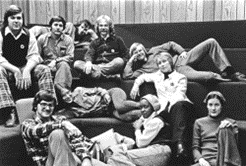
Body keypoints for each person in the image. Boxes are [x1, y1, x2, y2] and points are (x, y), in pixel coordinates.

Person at [130, 52, 195, 158]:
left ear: (170, 62)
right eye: (159, 63)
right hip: (165, 110)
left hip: (182, 106)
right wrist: (135, 86)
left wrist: (167, 110)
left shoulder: (181, 77)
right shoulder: (157, 76)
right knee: (157, 121)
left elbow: (179, 95)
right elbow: (142, 77)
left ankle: (179, 144)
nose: (162, 65)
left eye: (164, 61)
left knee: (178, 105)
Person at [0, 5, 55, 127]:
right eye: (12, 18)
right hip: (8, 69)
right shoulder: (1, 33)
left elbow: (34, 55)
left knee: (44, 70)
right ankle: (10, 111)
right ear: (6, 20)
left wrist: (26, 70)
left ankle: (48, 107)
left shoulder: (28, 34)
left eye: (19, 18)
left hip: (25, 67)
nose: (16, 21)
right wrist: (14, 70)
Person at [21, 90, 107, 166]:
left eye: (50, 105)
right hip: (50, 162)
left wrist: (85, 159)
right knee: (57, 133)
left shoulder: (59, 119)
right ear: (36, 106)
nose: (47, 108)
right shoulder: (27, 124)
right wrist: (62, 124)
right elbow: (37, 130)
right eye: (43, 104)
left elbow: (76, 140)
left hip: (71, 157)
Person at [123, 38, 246, 82]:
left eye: (139, 50)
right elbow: (127, 76)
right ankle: (227, 79)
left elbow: (170, 44)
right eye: (135, 52)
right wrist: (130, 61)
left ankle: (229, 72)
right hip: (178, 71)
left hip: (182, 59)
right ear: (134, 56)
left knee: (211, 42)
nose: (138, 53)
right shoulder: (141, 70)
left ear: (144, 49)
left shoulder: (154, 50)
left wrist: (181, 51)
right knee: (208, 76)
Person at [104, 94, 171, 166]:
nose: (142, 110)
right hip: (153, 150)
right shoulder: (146, 120)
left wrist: (137, 129)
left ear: (153, 108)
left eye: (146, 107)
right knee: (115, 148)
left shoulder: (156, 121)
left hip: (161, 151)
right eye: (141, 107)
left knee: (116, 157)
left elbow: (140, 144)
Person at [192, 91, 241, 166]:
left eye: (217, 105)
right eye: (210, 105)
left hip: (223, 161)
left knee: (224, 128)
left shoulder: (230, 122)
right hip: (205, 162)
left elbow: (234, 149)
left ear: (221, 106)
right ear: (206, 106)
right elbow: (195, 147)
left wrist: (230, 128)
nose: (213, 108)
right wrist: (200, 159)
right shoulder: (199, 122)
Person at [74, 15, 129, 80]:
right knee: (77, 64)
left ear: (110, 27)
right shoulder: (94, 42)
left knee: (119, 61)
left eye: (106, 25)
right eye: (101, 25)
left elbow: (126, 56)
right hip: (97, 65)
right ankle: (108, 76)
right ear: (97, 27)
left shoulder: (118, 40)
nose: (103, 28)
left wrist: (121, 63)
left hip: (111, 66)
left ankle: (96, 73)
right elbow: (89, 54)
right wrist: (88, 62)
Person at [37, 16, 74, 103]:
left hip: (61, 67)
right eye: (55, 25)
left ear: (63, 28)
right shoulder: (42, 39)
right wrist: (46, 65)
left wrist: (56, 61)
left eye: (60, 26)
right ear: (51, 27)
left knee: (64, 64)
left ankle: (61, 90)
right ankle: (64, 92)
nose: (58, 27)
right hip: (46, 65)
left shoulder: (68, 40)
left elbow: (70, 56)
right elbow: (37, 56)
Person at [58, 87, 142, 122]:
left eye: (68, 93)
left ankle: (142, 104)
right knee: (126, 117)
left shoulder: (78, 91)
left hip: (111, 95)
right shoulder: (71, 111)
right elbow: (58, 116)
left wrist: (105, 94)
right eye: (64, 96)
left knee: (119, 106)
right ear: (62, 99)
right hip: (108, 110)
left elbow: (98, 89)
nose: (68, 96)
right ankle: (146, 112)